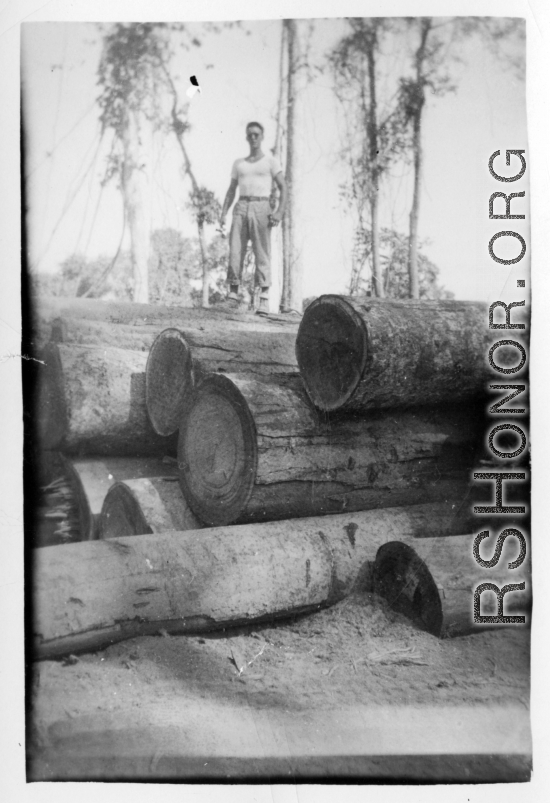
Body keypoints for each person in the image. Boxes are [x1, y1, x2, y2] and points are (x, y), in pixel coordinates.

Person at [219, 122, 287, 314]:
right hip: (241, 206)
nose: (253, 138)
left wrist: (279, 212)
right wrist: (223, 213)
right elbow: (231, 189)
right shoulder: (239, 163)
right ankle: (233, 294)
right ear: (247, 137)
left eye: (257, 134)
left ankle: (264, 298)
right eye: (250, 135)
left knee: (262, 251)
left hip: (261, 206)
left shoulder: (270, 162)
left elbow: (283, 187)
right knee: (235, 250)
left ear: (262, 136)